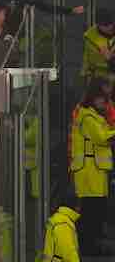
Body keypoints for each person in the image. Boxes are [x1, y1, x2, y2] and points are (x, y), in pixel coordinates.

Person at [69, 82, 115, 255]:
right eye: (103, 100)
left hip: (95, 171)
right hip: (89, 171)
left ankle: (91, 245)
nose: (105, 103)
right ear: (94, 98)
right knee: (91, 211)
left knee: (96, 210)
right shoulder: (87, 117)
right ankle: (87, 247)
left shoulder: (93, 115)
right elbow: (101, 137)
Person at [40, 193, 80, 262]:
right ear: (75, 206)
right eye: (79, 205)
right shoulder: (63, 223)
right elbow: (69, 252)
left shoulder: (59, 219)